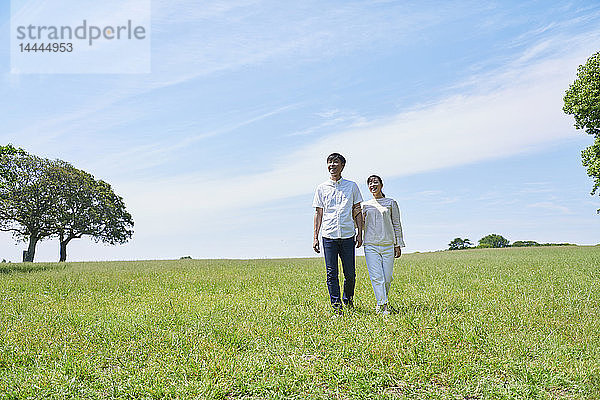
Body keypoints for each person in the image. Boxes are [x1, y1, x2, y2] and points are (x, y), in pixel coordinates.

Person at [313, 153, 364, 314]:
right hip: (329, 236)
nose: (332, 165)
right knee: (331, 274)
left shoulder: (352, 186)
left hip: (348, 235)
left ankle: (348, 301)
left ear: (342, 165)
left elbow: (357, 210)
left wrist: (360, 233)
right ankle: (337, 307)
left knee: (350, 274)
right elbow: (319, 213)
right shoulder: (322, 188)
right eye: (329, 162)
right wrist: (315, 237)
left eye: (336, 162)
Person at [361, 175, 405, 316]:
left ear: (381, 184)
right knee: (376, 277)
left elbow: (396, 224)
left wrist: (398, 244)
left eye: (375, 182)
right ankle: (383, 305)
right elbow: (360, 226)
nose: (372, 185)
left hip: (388, 245)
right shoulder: (364, 205)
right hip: (370, 245)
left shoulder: (391, 202)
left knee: (387, 277)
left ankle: (381, 301)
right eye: (370, 183)